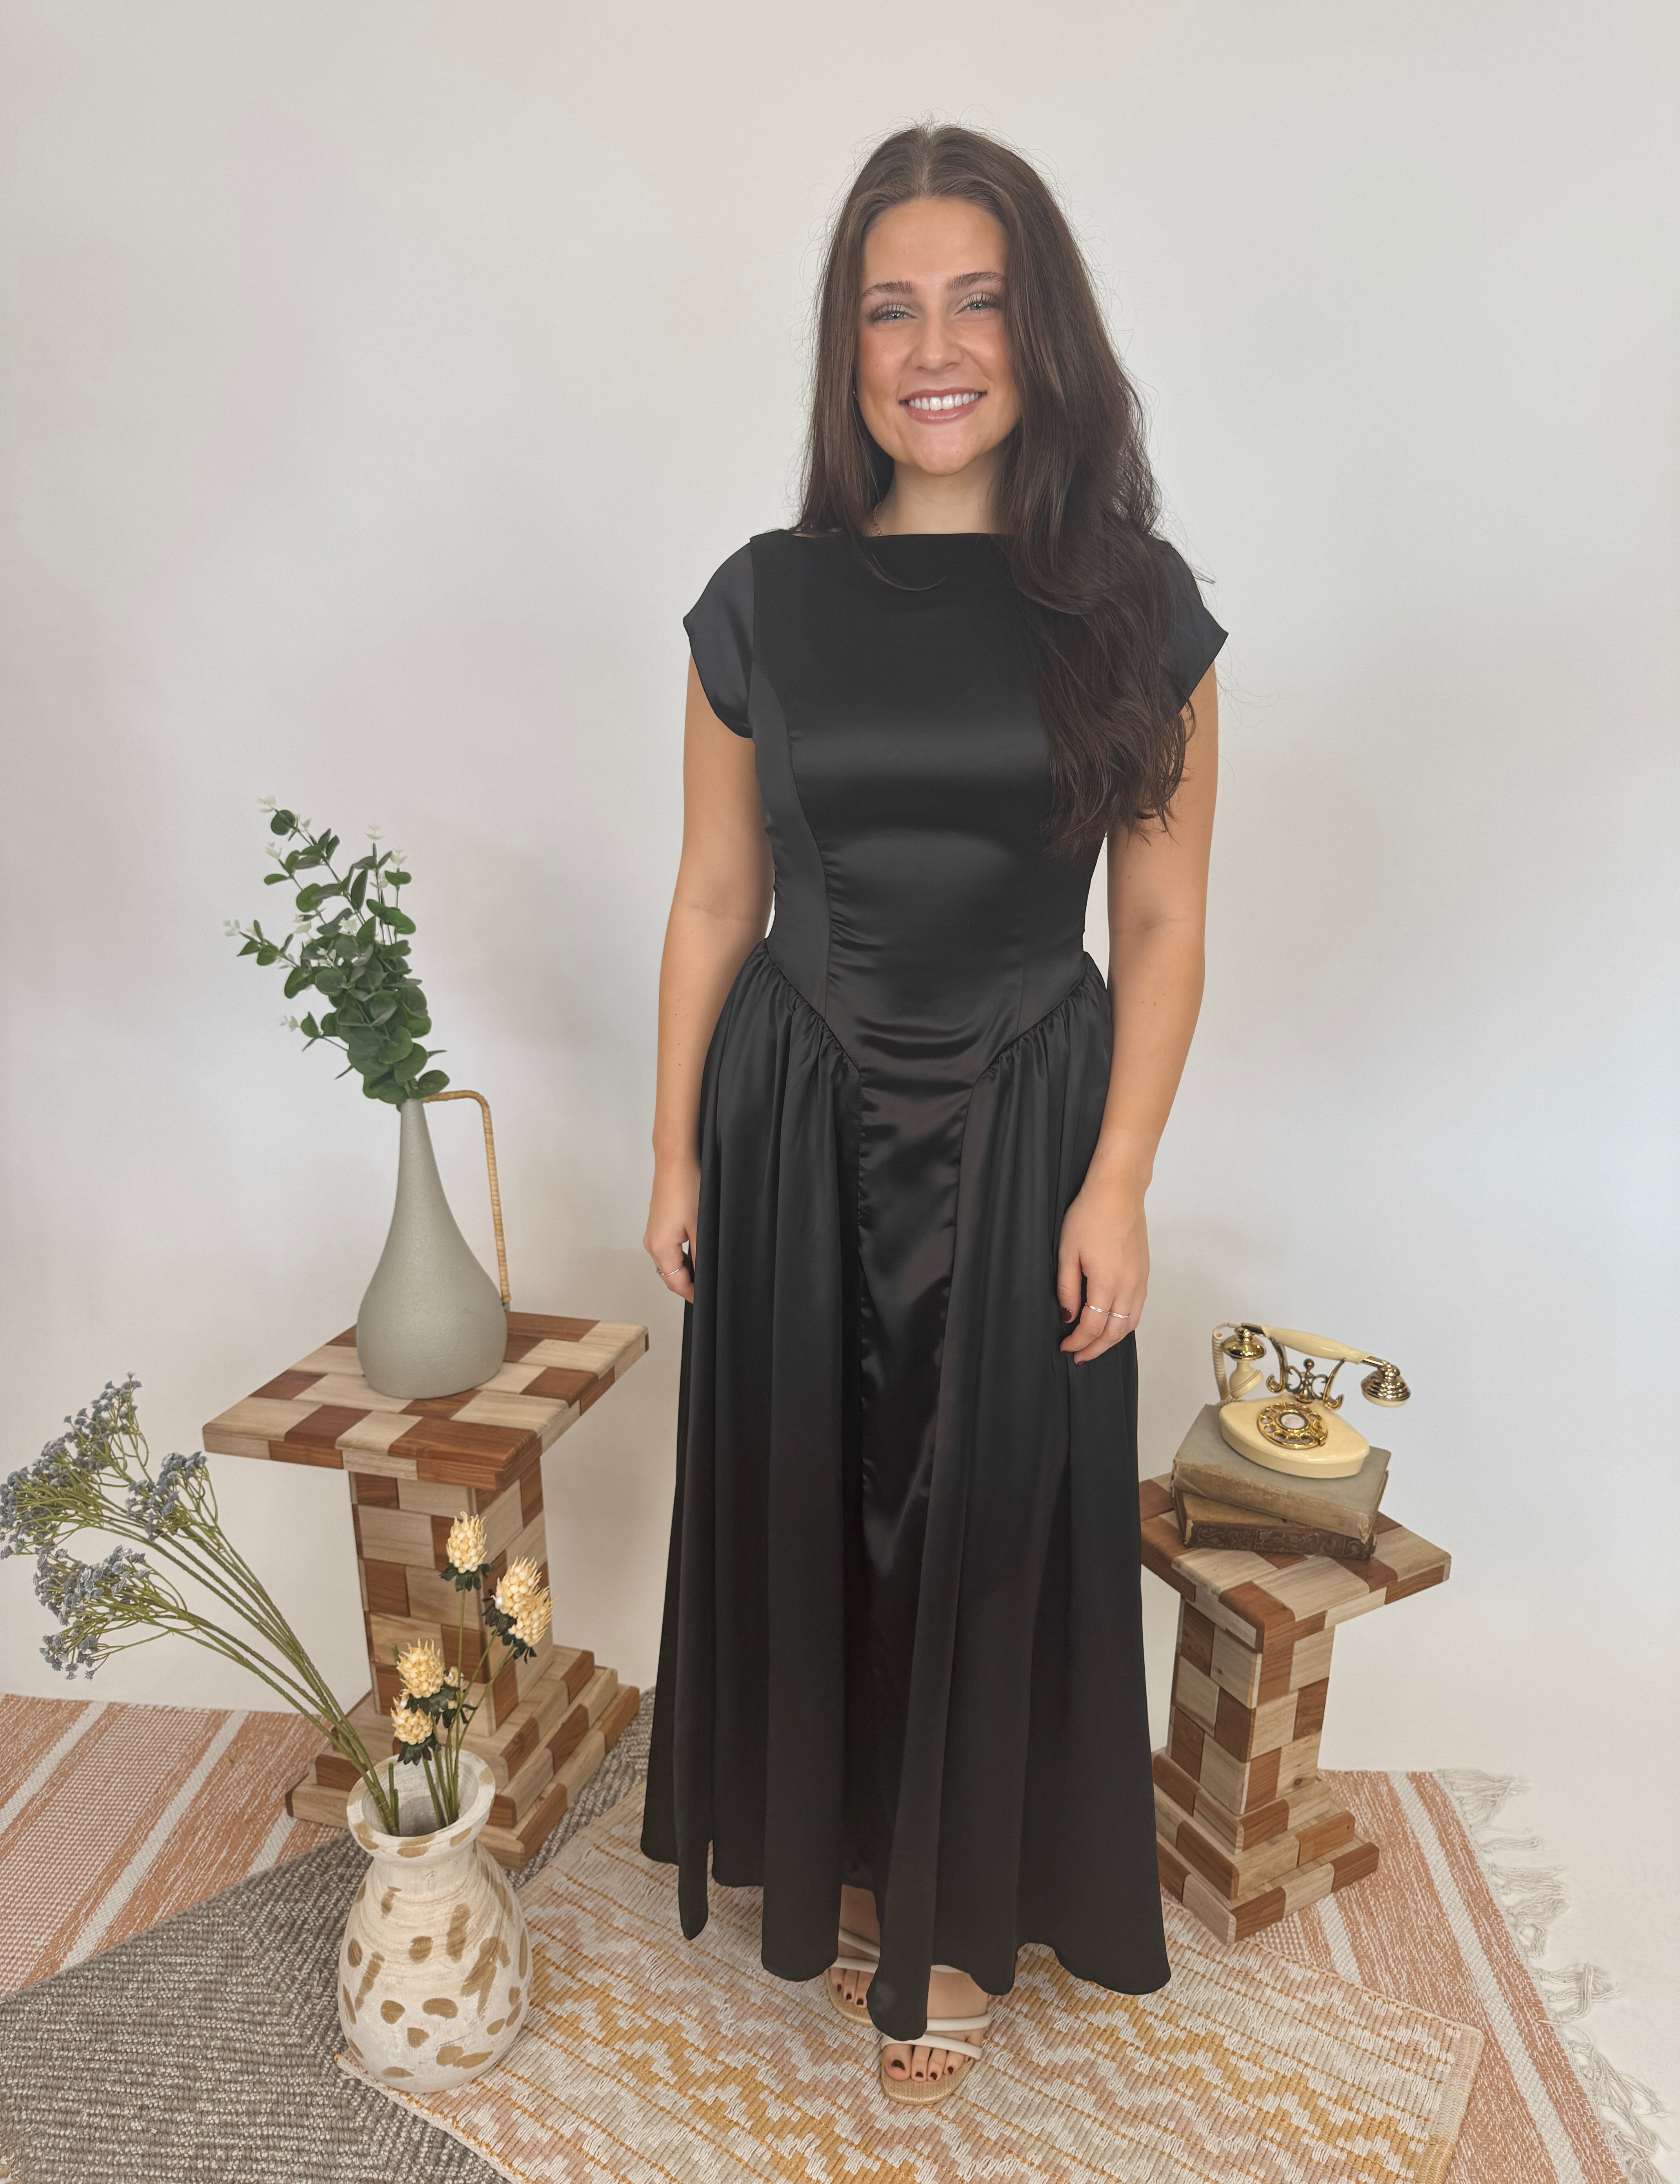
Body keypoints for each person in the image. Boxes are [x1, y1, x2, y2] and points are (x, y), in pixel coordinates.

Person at [640, 121, 1224, 2105]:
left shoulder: (1136, 609)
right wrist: (669, 1147)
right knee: (817, 1488)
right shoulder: (762, 601)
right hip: (797, 1098)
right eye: (891, 307)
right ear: (848, 349)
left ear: (1042, 331)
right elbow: (721, 893)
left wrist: (1123, 1171)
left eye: (977, 298)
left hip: (1027, 1106)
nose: (935, 343)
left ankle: (961, 1924)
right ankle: (839, 1861)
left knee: (985, 1516)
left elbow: (1158, 910)